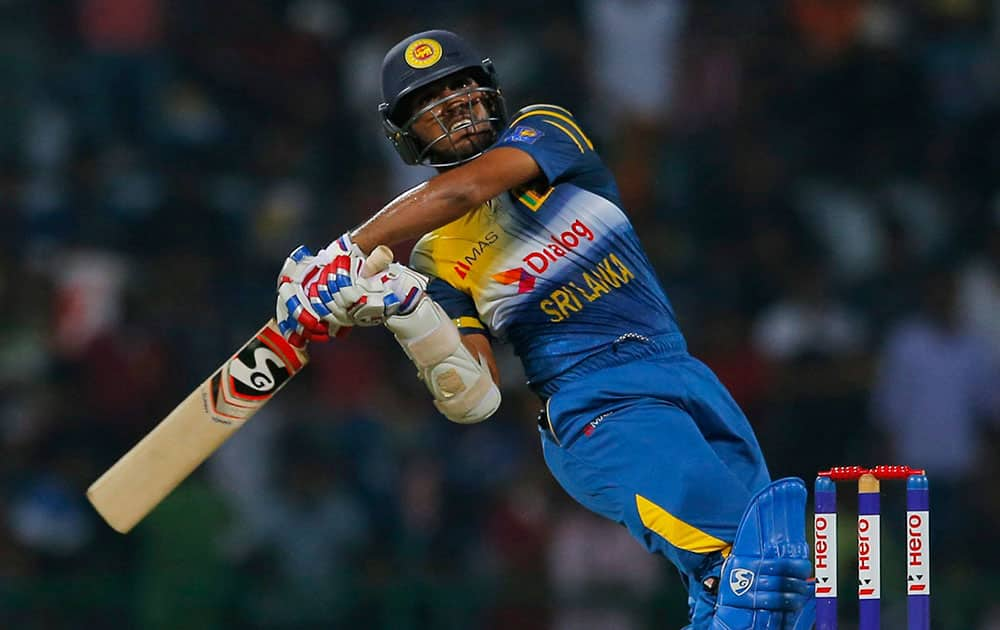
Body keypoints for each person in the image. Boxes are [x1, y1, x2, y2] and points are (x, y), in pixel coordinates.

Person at [274, 30, 813, 629]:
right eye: (430, 99)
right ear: (405, 135)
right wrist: (407, 312)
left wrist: (345, 249)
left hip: (683, 374)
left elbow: (466, 189)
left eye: (462, 85)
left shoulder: (545, 133)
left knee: (783, 596)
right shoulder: (433, 260)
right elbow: (474, 396)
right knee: (752, 572)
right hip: (597, 409)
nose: (454, 102)